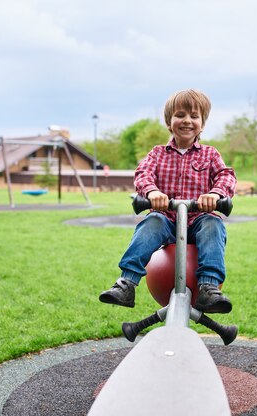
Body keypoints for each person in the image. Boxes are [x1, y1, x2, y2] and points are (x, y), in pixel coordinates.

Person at [99, 89, 237, 313]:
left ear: (202, 124)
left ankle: (209, 287)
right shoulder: (157, 153)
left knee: (214, 224)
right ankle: (127, 282)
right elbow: (143, 174)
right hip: (167, 219)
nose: (187, 121)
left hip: (199, 219)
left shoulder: (210, 154)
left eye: (194, 116)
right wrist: (152, 192)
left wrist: (215, 194)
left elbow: (226, 175)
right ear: (169, 121)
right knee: (151, 222)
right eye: (180, 115)